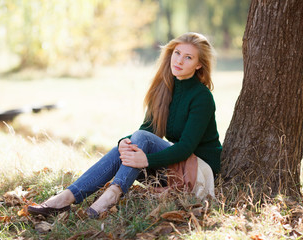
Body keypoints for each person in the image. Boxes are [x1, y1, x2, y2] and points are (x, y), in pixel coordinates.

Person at [28, 32, 222, 218]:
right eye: (177, 53)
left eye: (188, 57)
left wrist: (146, 161)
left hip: (199, 174)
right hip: (176, 168)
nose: (179, 60)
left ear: (199, 65)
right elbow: (148, 129)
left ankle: (112, 193)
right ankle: (68, 197)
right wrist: (124, 142)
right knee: (133, 142)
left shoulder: (202, 97)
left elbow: (185, 148)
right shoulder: (164, 88)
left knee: (140, 140)